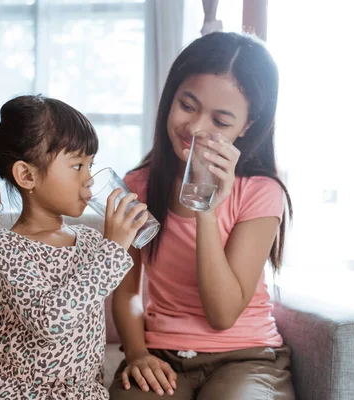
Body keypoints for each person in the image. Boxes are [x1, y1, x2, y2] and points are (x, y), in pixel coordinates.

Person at [109, 32, 295, 399]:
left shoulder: (260, 193)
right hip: (162, 356)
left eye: (221, 121)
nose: (195, 129)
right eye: (188, 105)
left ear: (247, 127)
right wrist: (137, 354)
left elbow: (222, 314)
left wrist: (206, 211)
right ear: (171, 96)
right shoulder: (137, 186)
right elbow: (127, 290)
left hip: (247, 358)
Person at [0, 95, 149, 399]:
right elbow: (50, 320)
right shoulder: (9, 247)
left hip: (82, 392)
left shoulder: (89, 241)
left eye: (91, 164)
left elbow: (108, 288)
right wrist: (113, 251)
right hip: (22, 392)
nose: (89, 179)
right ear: (27, 175)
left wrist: (132, 236)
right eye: (77, 166)